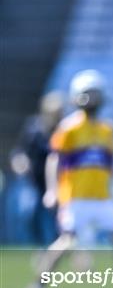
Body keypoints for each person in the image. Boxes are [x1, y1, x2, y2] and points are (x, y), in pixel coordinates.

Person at [26, 69, 113, 288]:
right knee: (66, 241)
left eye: (95, 94)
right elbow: (54, 159)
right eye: (87, 94)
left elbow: (112, 166)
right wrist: (52, 190)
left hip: (103, 196)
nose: (91, 99)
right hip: (76, 197)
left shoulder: (108, 129)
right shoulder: (69, 128)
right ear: (77, 97)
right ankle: (39, 285)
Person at [10, 91, 64, 244]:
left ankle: (57, 248)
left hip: (57, 183)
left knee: (58, 221)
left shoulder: (64, 131)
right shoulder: (34, 128)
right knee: (29, 213)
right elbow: (19, 152)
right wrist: (20, 163)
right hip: (34, 181)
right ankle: (40, 247)